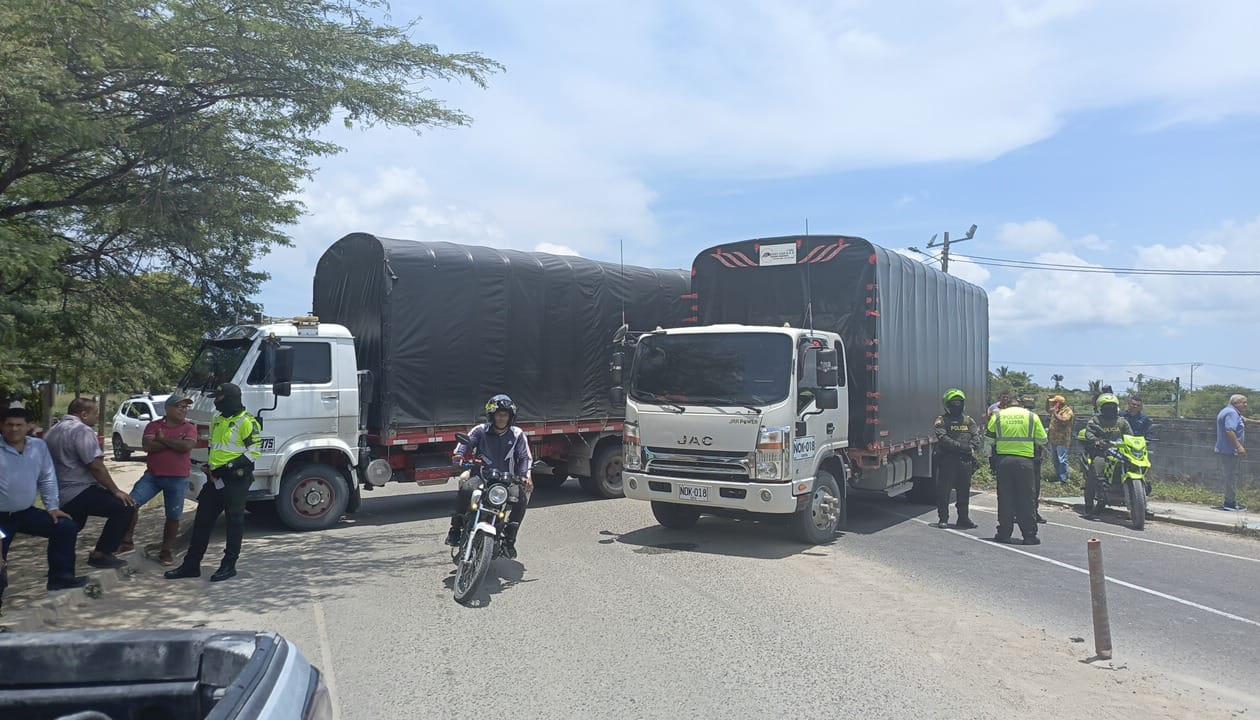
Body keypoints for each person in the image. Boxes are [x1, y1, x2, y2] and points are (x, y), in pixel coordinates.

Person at [166, 384, 261, 582]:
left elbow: (254, 453)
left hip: (236, 479)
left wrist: (229, 467)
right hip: (214, 478)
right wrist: (210, 466)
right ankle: (191, 565)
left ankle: (229, 565)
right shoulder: (217, 418)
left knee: (234, 523)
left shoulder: (247, 421)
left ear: (231, 399)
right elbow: (214, 446)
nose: (216, 402)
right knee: (202, 521)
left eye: (220, 398)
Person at [0, 408, 87, 606]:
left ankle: (61, 580)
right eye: (9, 424)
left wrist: (52, 506)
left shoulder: (38, 447)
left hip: (25, 512)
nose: (14, 429)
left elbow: (47, 477)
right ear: (1, 426)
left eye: (19, 424)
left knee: (65, 527)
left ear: (28, 426)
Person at [44, 398, 137, 569]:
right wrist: (115, 490)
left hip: (59, 491)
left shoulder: (52, 431)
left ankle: (59, 568)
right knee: (125, 507)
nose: (97, 418)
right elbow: (95, 466)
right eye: (95, 414)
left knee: (70, 527)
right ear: (84, 414)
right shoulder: (82, 430)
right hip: (78, 489)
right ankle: (101, 554)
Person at [446, 395, 534, 559]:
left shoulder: (517, 434)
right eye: (499, 414)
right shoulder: (480, 430)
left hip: (507, 481)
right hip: (481, 476)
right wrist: (459, 455)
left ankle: (509, 540)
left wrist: (525, 476)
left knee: (520, 499)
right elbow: (465, 443)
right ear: (492, 416)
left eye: (505, 415)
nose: (502, 418)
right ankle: (455, 529)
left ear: (510, 417)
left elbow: (524, 457)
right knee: (466, 489)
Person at [119, 394, 196, 564]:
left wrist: (162, 440)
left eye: (185, 407)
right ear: (168, 409)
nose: (183, 410)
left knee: (173, 516)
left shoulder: (189, 427)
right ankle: (126, 541)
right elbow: (148, 446)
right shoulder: (154, 425)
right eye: (179, 407)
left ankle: (166, 550)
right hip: (153, 476)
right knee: (131, 504)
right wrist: (173, 442)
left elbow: (186, 446)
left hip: (178, 478)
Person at [987, 397, 1048, 545]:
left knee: (1005, 498)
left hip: (1004, 461)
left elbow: (989, 440)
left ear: (1005, 406)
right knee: (1027, 499)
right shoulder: (1032, 417)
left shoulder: (998, 416)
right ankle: (1029, 535)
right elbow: (1043, 440)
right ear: (1021, 405)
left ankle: (1004, 533)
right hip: (1025, 462)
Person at [932, 389, 981, 529]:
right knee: (944, 491)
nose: (956, 405)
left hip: (965, 461)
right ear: (947, 404)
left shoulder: (968, 420)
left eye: (959, 402)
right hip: (947, 460)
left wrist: (971, 447)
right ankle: (943, 519)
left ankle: (963, 519)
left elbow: (976, 436)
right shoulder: (942, 420)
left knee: (964, 491)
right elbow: (942, 438)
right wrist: (961, 446)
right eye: (953, 402)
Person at [1081, 394, 1133, 520]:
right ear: (1100, 408)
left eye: (1112, 406)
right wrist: (1097, 441)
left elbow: (1130, 436)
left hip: (1120, 451)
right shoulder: (1095, 421)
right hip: (1101, 451)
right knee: (1095, 472)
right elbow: (1089, 433)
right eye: (1107, 407)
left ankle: (1141, 500)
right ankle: (1088, 508)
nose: (1110, 409)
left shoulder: (1122, 422)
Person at [1215, 394, 1248, 512]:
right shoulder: (1232, 413)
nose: (1246, 405)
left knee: (1231, 475)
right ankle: (1230, 503)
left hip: (1225, 450)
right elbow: (1229, 430)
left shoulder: (1228, 411)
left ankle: (1231, 501)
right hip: (1230, 451)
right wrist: (1239, 446)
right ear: (1235, 403)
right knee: (1231, 476)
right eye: (1243, 402)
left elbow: (1243, 420)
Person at [1020, 394, 1048, 524]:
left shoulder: (1015, 417)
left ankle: (1022, 513)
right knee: (1033, 488)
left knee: (1020, 487)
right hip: (1032, 456)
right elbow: (1042, 439)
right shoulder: (1034, 417)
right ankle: (1032, 513)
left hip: (1020, 455)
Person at [1046, 395, 1074, 485]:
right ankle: (1058, 476)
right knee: (1055, 459)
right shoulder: (1057, 410)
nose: (1052, 404)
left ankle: (1064, 480)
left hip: (1062, 440)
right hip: (1054, 439)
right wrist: (1047, 401)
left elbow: (1064, 420)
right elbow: (1047, 410)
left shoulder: (1067, 411)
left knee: (1062, 460)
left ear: (1059, 403)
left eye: (1054, 402)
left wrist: (1054, 413)